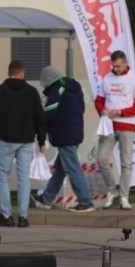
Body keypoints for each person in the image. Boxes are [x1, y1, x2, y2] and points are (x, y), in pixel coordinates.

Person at [0, 60, 47, 228]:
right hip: (27, 141)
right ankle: (23, 217)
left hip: (6, 140)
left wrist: (0, 132)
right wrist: (41, 140)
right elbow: (39, 118)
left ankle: (6, 215)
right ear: (22, 74)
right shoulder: (32, 92)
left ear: (9, 73)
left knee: (3, 177)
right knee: (24, 178)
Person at [32, 66, 96, 212]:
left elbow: (51, 109)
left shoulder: (57, 88)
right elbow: (81, 108)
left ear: (48, 80)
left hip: (65, 134)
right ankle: (47, 198)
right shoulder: (74, 87)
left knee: (72, 168)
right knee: (60, 167)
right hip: (76, 131)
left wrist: (39, 118)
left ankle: (86, 201)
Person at [94, 50, 135, 210]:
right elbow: (99, 100)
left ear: (125, 63)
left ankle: (124, 196)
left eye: (118, 66)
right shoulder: (107, 79)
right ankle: (112, 191)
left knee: (126, 163)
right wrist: (102, 110)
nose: (115, 69)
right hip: (108, 126)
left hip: (127, 125)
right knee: (101, 158)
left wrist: (121, 112)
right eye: (113, 66)